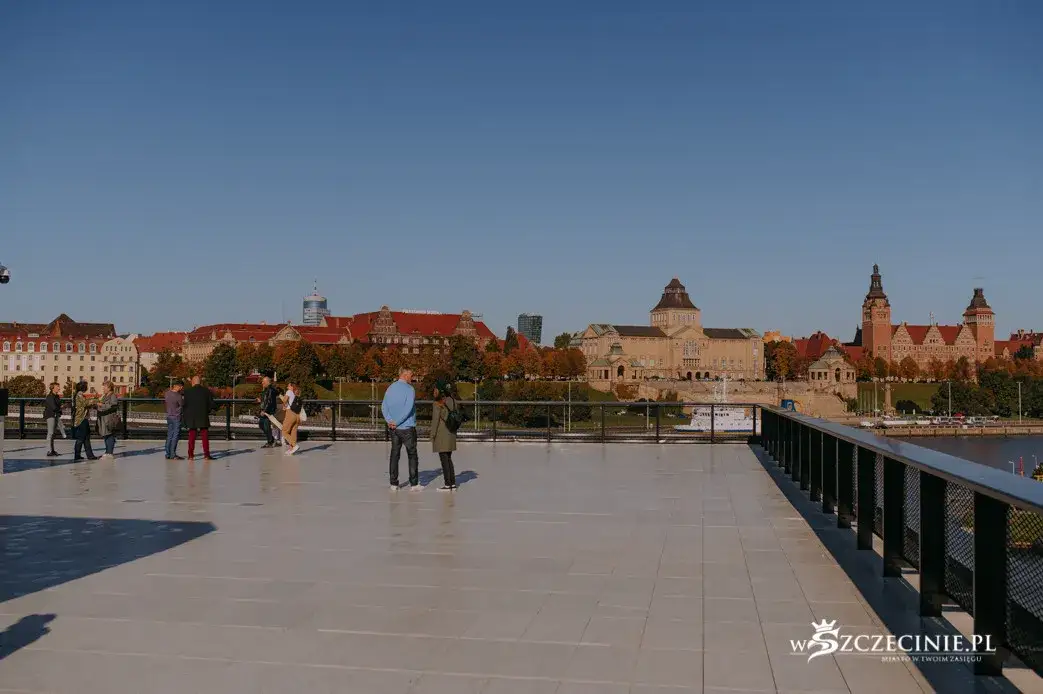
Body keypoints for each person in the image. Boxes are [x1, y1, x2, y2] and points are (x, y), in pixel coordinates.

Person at [382, 367, 420, 491]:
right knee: (412, 454)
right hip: (407, 427)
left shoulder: (390, 388)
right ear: (404, 374)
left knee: (394, 454)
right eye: (410, 375)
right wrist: (397, 422)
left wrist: (390, 421)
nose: (412, 378)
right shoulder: (410, 389)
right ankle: (414, 483)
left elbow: (384, 406)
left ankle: (393, 483)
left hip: (393, 429)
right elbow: (408, 409)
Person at [430, 381, 458, 491]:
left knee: (444, 459)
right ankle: (453, 483)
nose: (434, 391)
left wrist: (432, 435)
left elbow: (435, 420)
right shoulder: (453, 401)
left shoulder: (438, 403)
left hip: (442, 434)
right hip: (451, 432)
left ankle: (447, 484)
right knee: (449, 458)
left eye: (435, 389)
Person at [182, 375, 216, 461]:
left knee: (192, 436)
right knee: (204, 436)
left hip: (192, 416)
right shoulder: (206, 391)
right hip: (203, 415)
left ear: (192, 382)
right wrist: (206, 411)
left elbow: (184, 405)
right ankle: (206, 455)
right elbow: (212, 404)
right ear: (200, 382)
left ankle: (190, 455)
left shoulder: (187, 391)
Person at [71, 381, 98, 462]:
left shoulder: (79, 395)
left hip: (82, 418)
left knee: (86, 437)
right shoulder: (79, 395)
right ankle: (77, 455)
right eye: (86, 386)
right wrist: (96, 399)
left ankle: (89, 455)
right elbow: (86, 403)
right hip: (81, 419)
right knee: (81, 438)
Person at [96, 381, 121, 458]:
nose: (103, 388)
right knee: (106, 434)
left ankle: (109, 452)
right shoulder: (105, 395)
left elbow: (113, 406)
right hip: (103, 418)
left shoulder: (112, 395)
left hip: (109, 419)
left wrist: (101, 405)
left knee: (109, 434)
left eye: (104, 387)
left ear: (109, 388)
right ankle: (107, 452)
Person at [43, 382, 66, 457]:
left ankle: (52, 450)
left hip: (55, 415)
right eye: (57, 387)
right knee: (50, 433)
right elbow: (54, 407)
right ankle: (49, 450)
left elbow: (57, 406)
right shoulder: (50, 396)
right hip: (50, 416)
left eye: (59, 387)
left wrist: (60, 408)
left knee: (53, 434)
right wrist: (61, 408)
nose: (59, 388)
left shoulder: (57, 396)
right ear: (53, 388)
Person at [279, 382, 302, 455]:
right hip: (297, 415)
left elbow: (284, 400)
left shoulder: (289, 391)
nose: (287, 387)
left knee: (284, 431)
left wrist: (280, 396)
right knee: (293, 432)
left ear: (292, 386)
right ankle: (292, 449)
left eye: (288, 386)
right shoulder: (296, 393)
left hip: (290, 413)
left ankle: (295, 446)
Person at [164, 381, 185, 459]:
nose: (182, 388)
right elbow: (182, 405)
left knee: (169, 435)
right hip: (176, 417)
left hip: (169, 416)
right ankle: (173, 454)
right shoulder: (178, 396)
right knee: (175, 436)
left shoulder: (167, 393)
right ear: (179, 386)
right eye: (181, 387)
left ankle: (168, 453)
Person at [256, 376, 279, 447]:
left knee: (265, 426)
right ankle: (271, 440)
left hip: (267, 411)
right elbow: (266, 400)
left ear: (267, 382)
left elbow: (269, 402)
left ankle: (270, 442)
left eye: (263, 381)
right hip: (266, 410)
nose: (262, 383)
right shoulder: (267, 389)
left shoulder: (270, 390)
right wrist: (261, 401)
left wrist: (264, 411)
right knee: (262, 425)